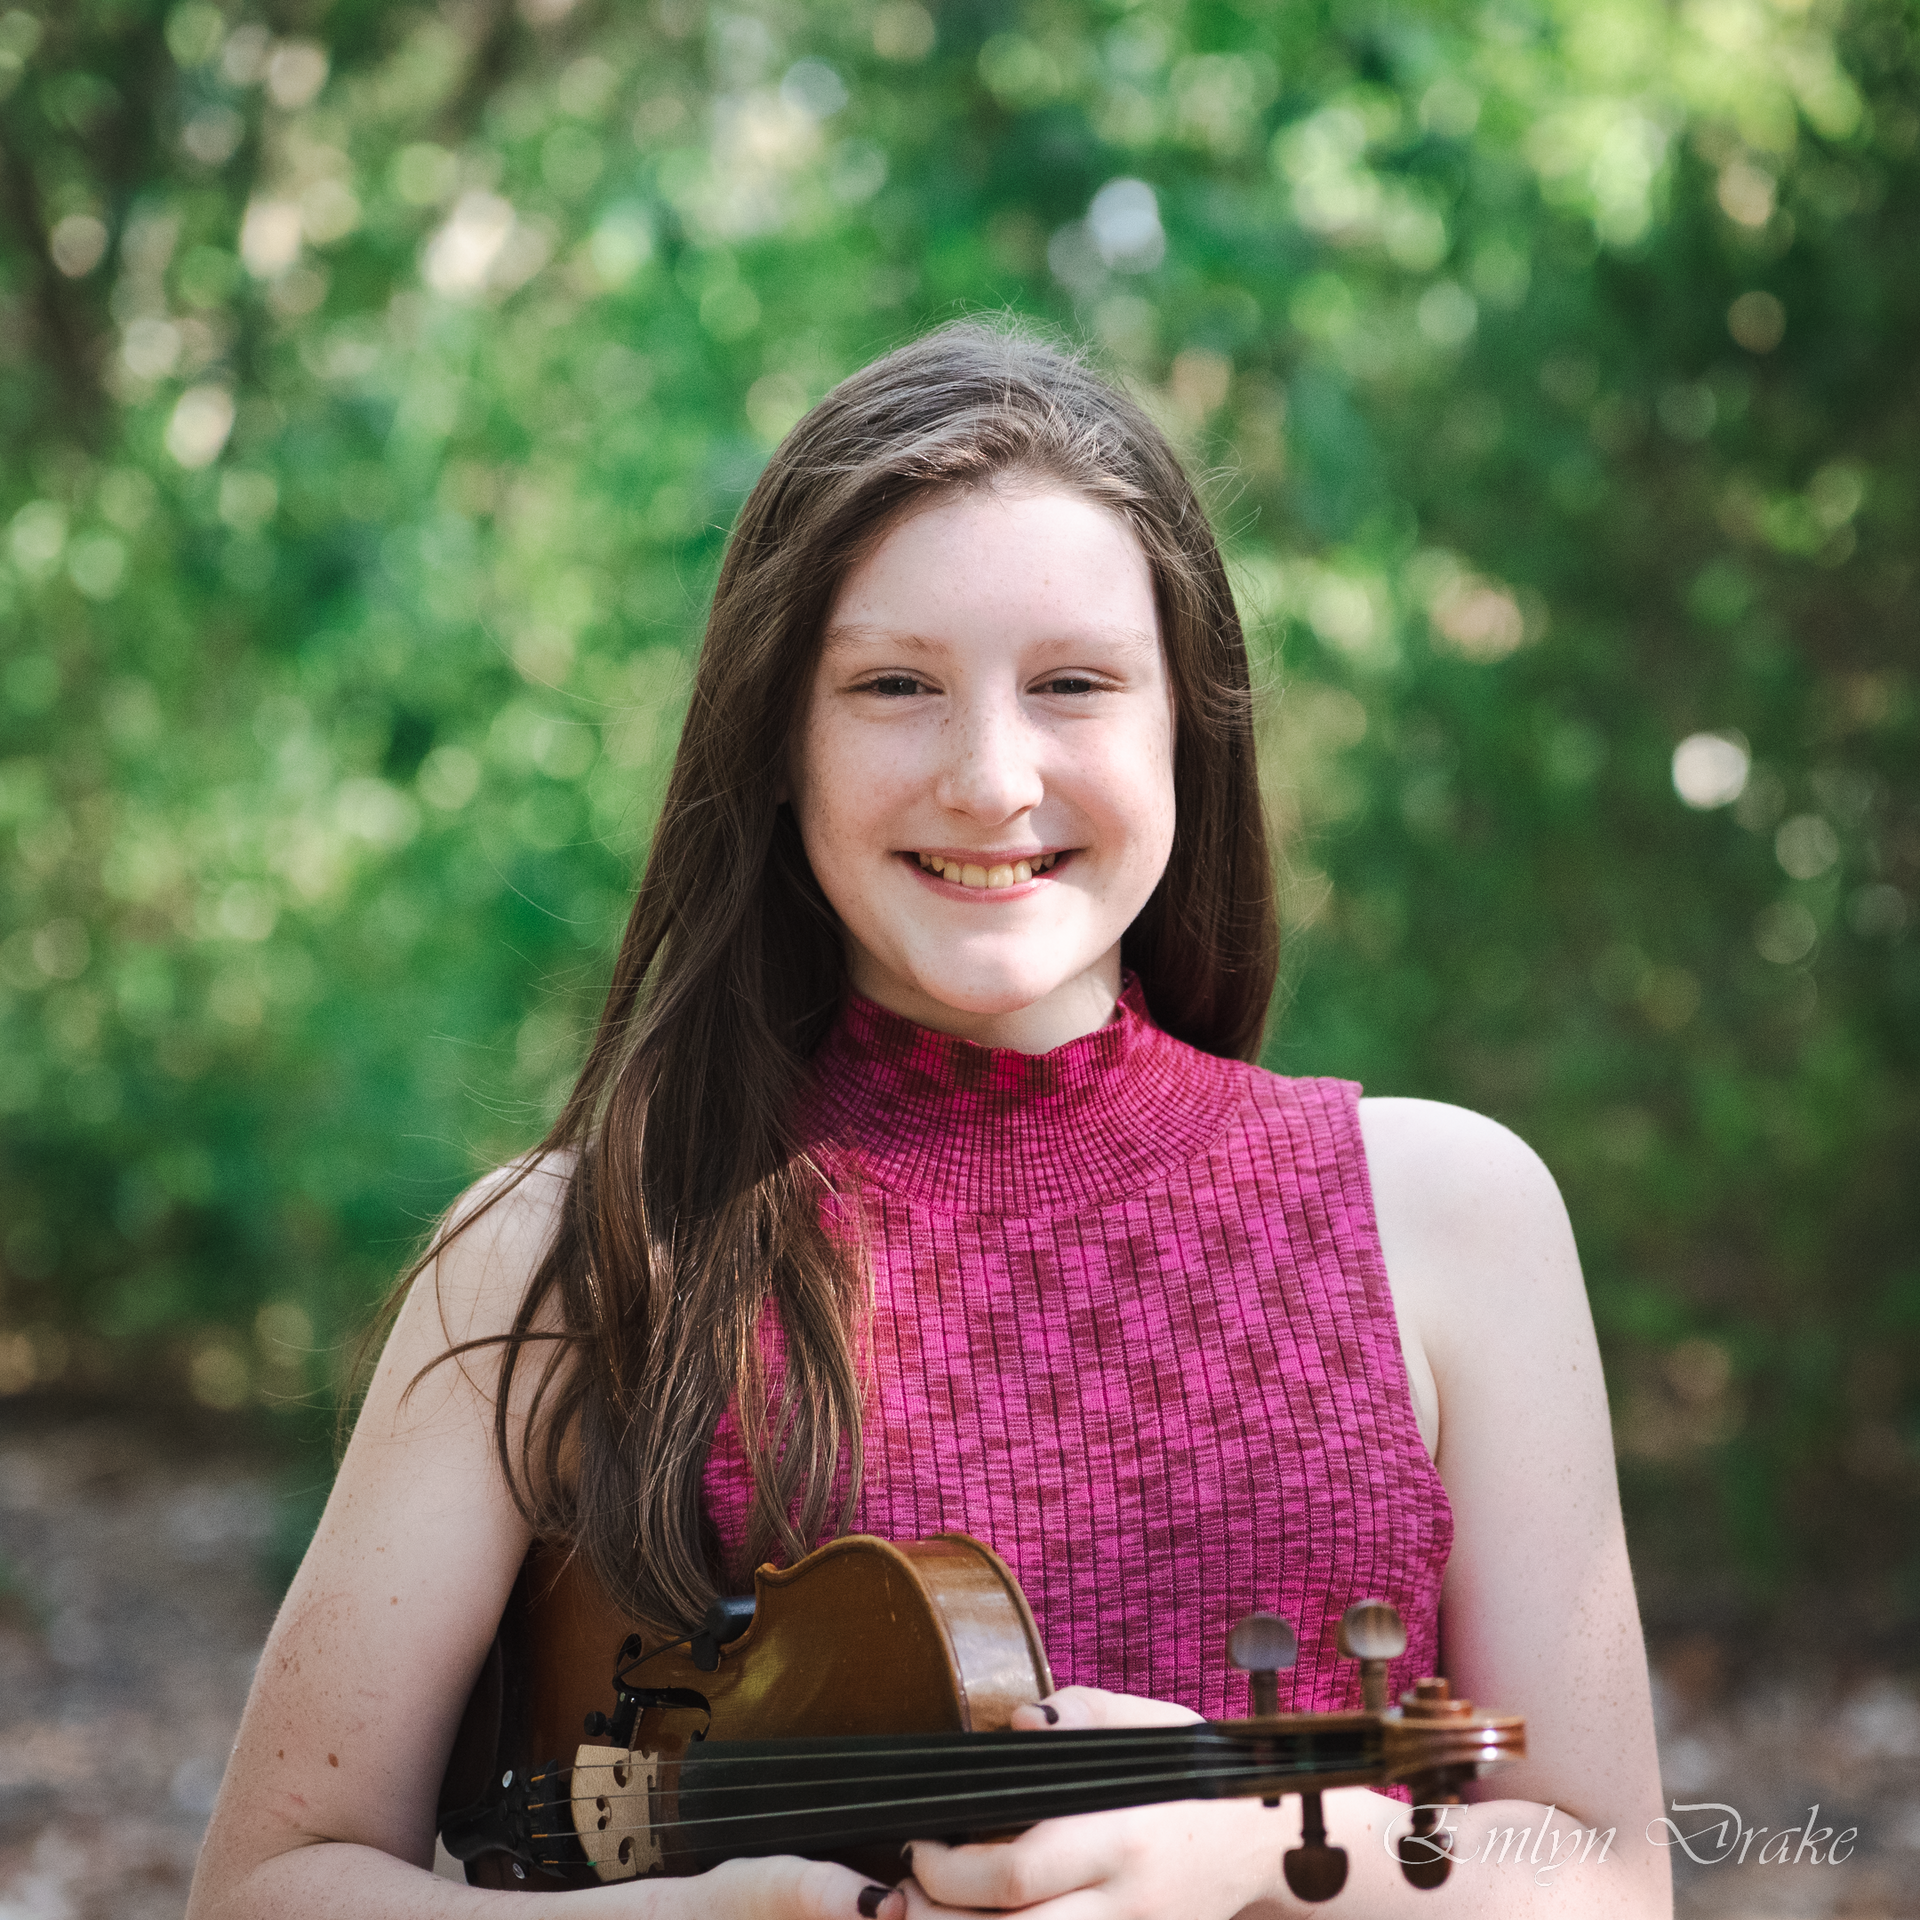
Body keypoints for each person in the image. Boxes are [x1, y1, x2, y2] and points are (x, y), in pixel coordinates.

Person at [186, 324, 1669, 1920]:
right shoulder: (558, 1252)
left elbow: (1608, 1874)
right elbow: (272, 1883)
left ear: (1190, 730)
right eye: (894, 686)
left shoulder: (1450, 1214)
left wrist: (1248, 1850)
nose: (989, 774)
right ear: (778, 745)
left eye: (1075, 685)